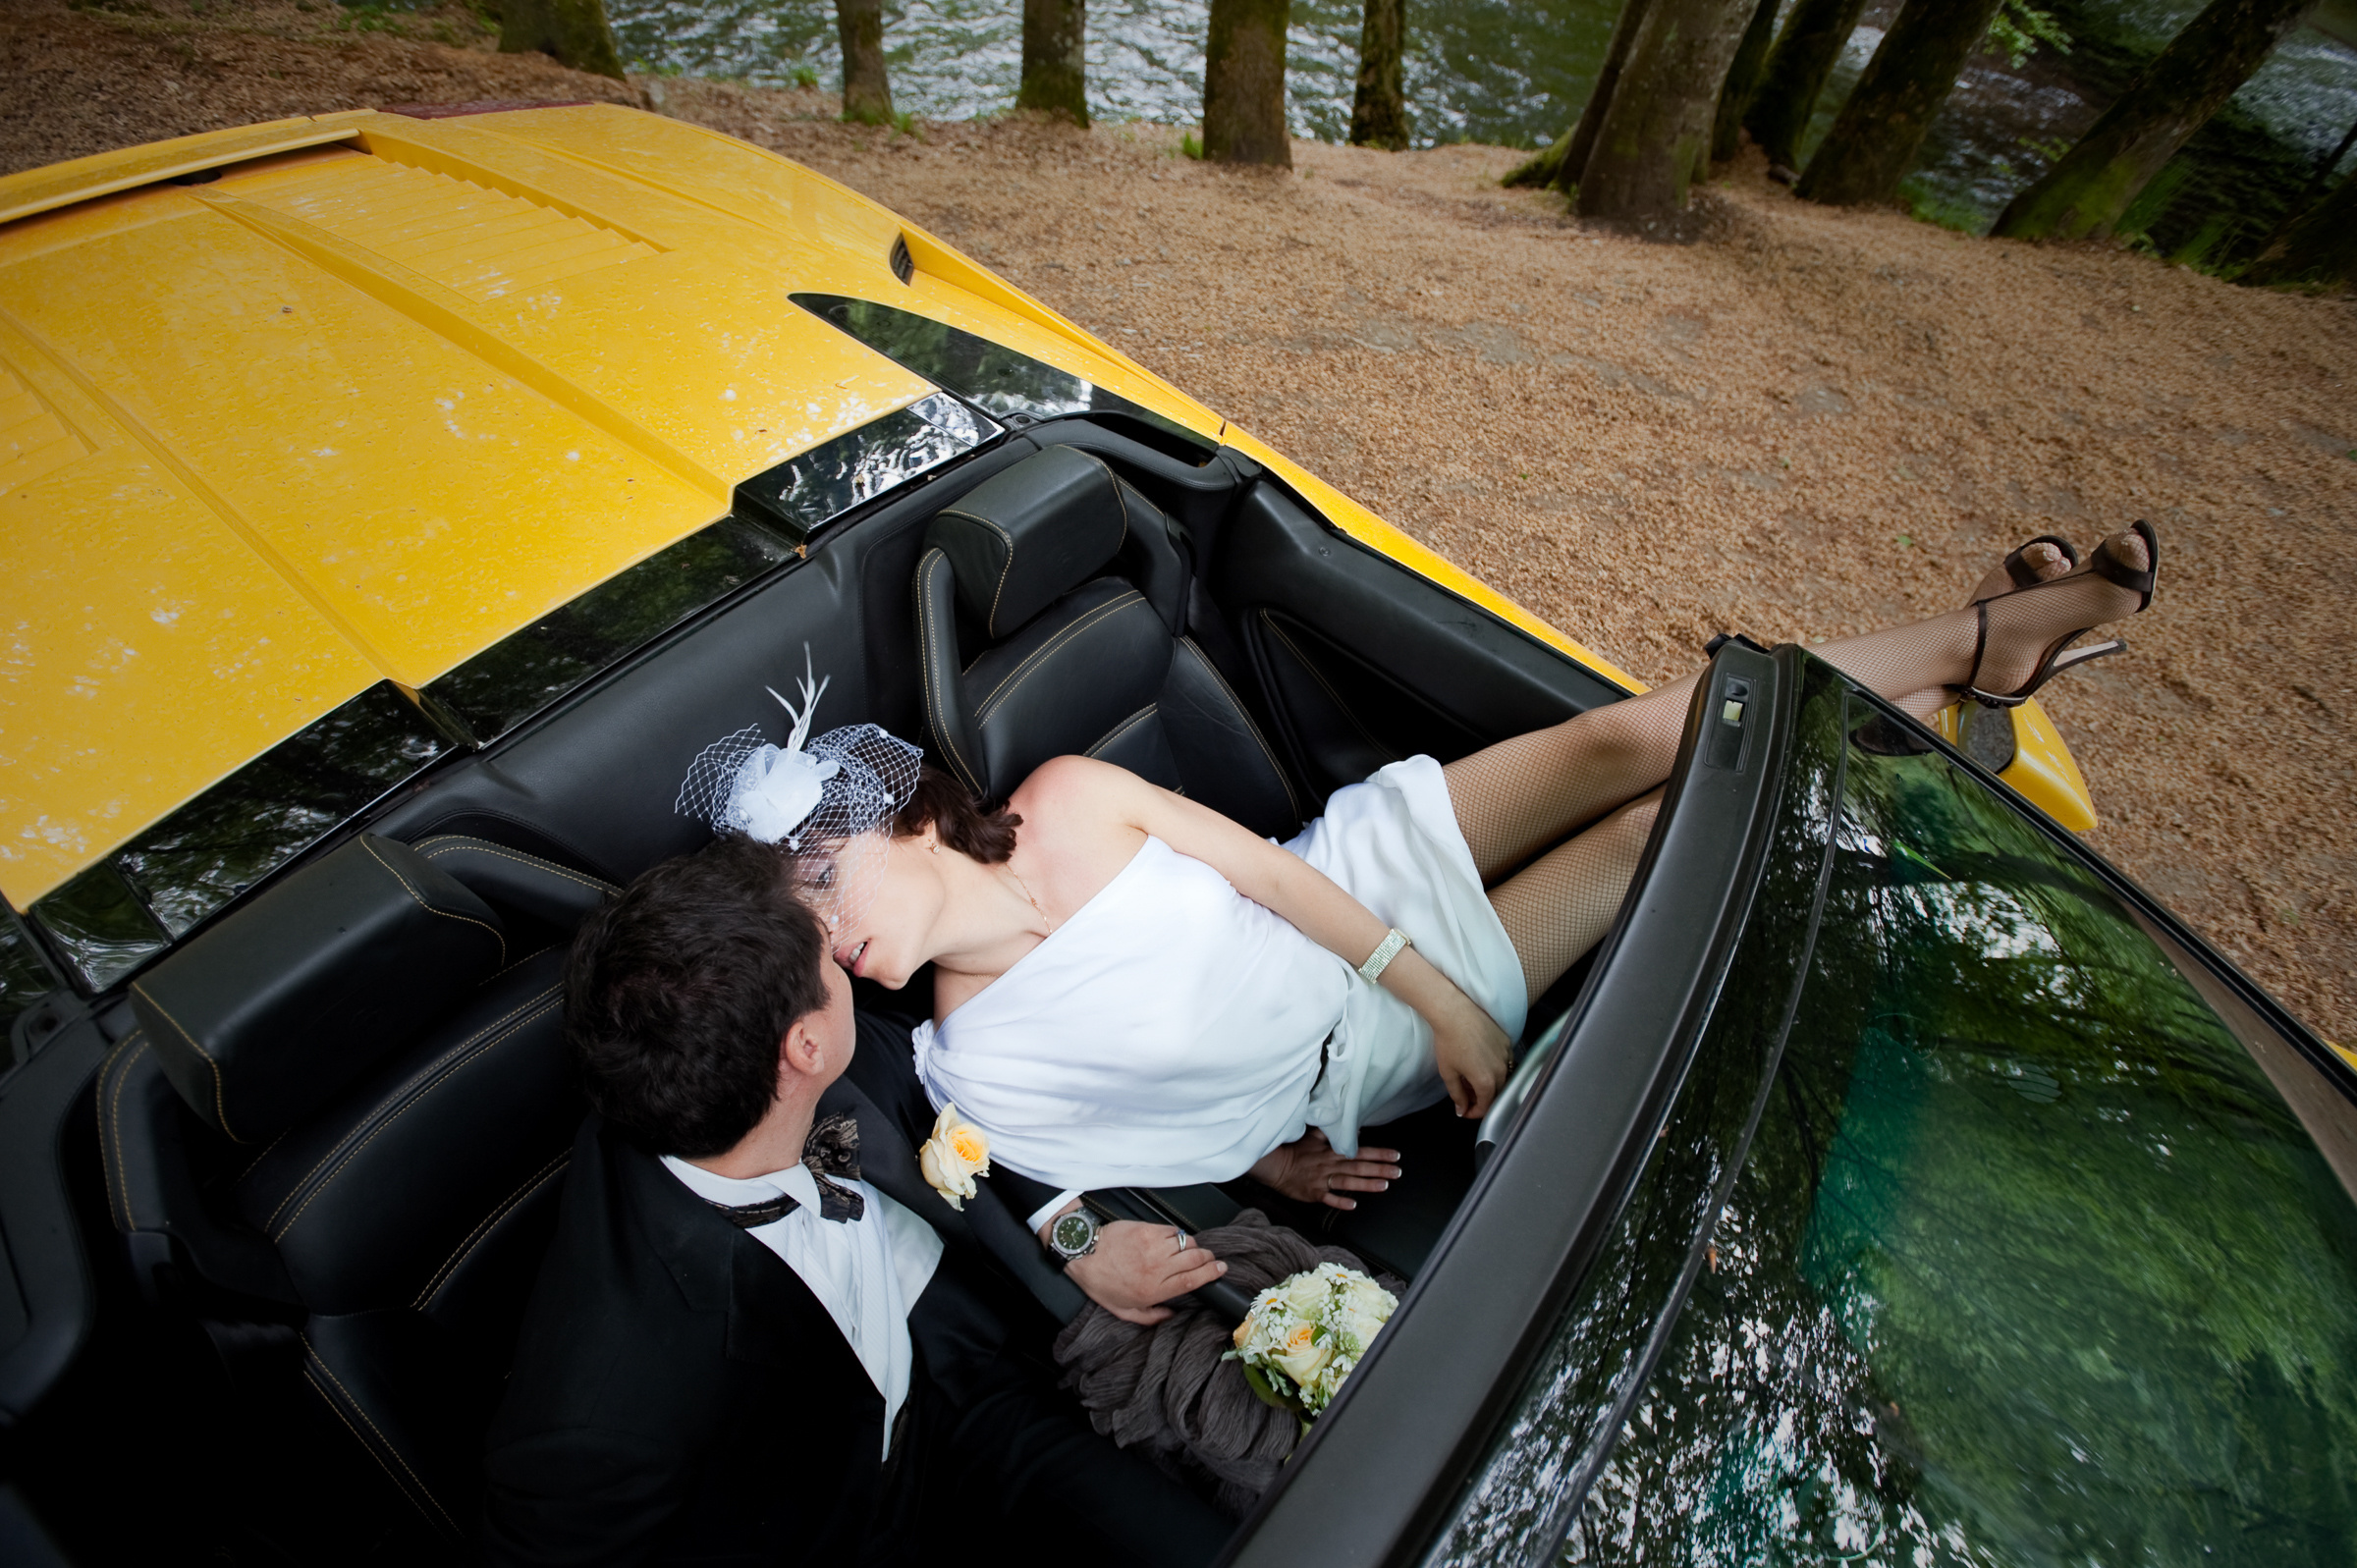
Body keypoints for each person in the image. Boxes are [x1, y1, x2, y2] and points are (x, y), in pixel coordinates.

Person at [689, 525, 2156, 1311]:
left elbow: (1272, 874)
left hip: (1359, 878)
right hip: (1369, 1036)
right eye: (803, 926)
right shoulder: (967, 1064)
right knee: (1664, 832)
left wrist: (1445, 992)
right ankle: (1975, 675)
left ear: (902, 812)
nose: (829, 940)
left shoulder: (1072, 795)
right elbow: (1072, 1180)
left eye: (821, 883)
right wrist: (1240, 1174)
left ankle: (1979, 644)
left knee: (1643, 737)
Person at [479, 835, 1234, 1566]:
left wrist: (1072, 1233)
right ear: (803, 1048)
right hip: (855, 1520)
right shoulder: (594, 1423)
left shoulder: (720, 1062)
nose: (843, 949)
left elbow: (962, 1088)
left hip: (968, 1382)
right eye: (826, 954)